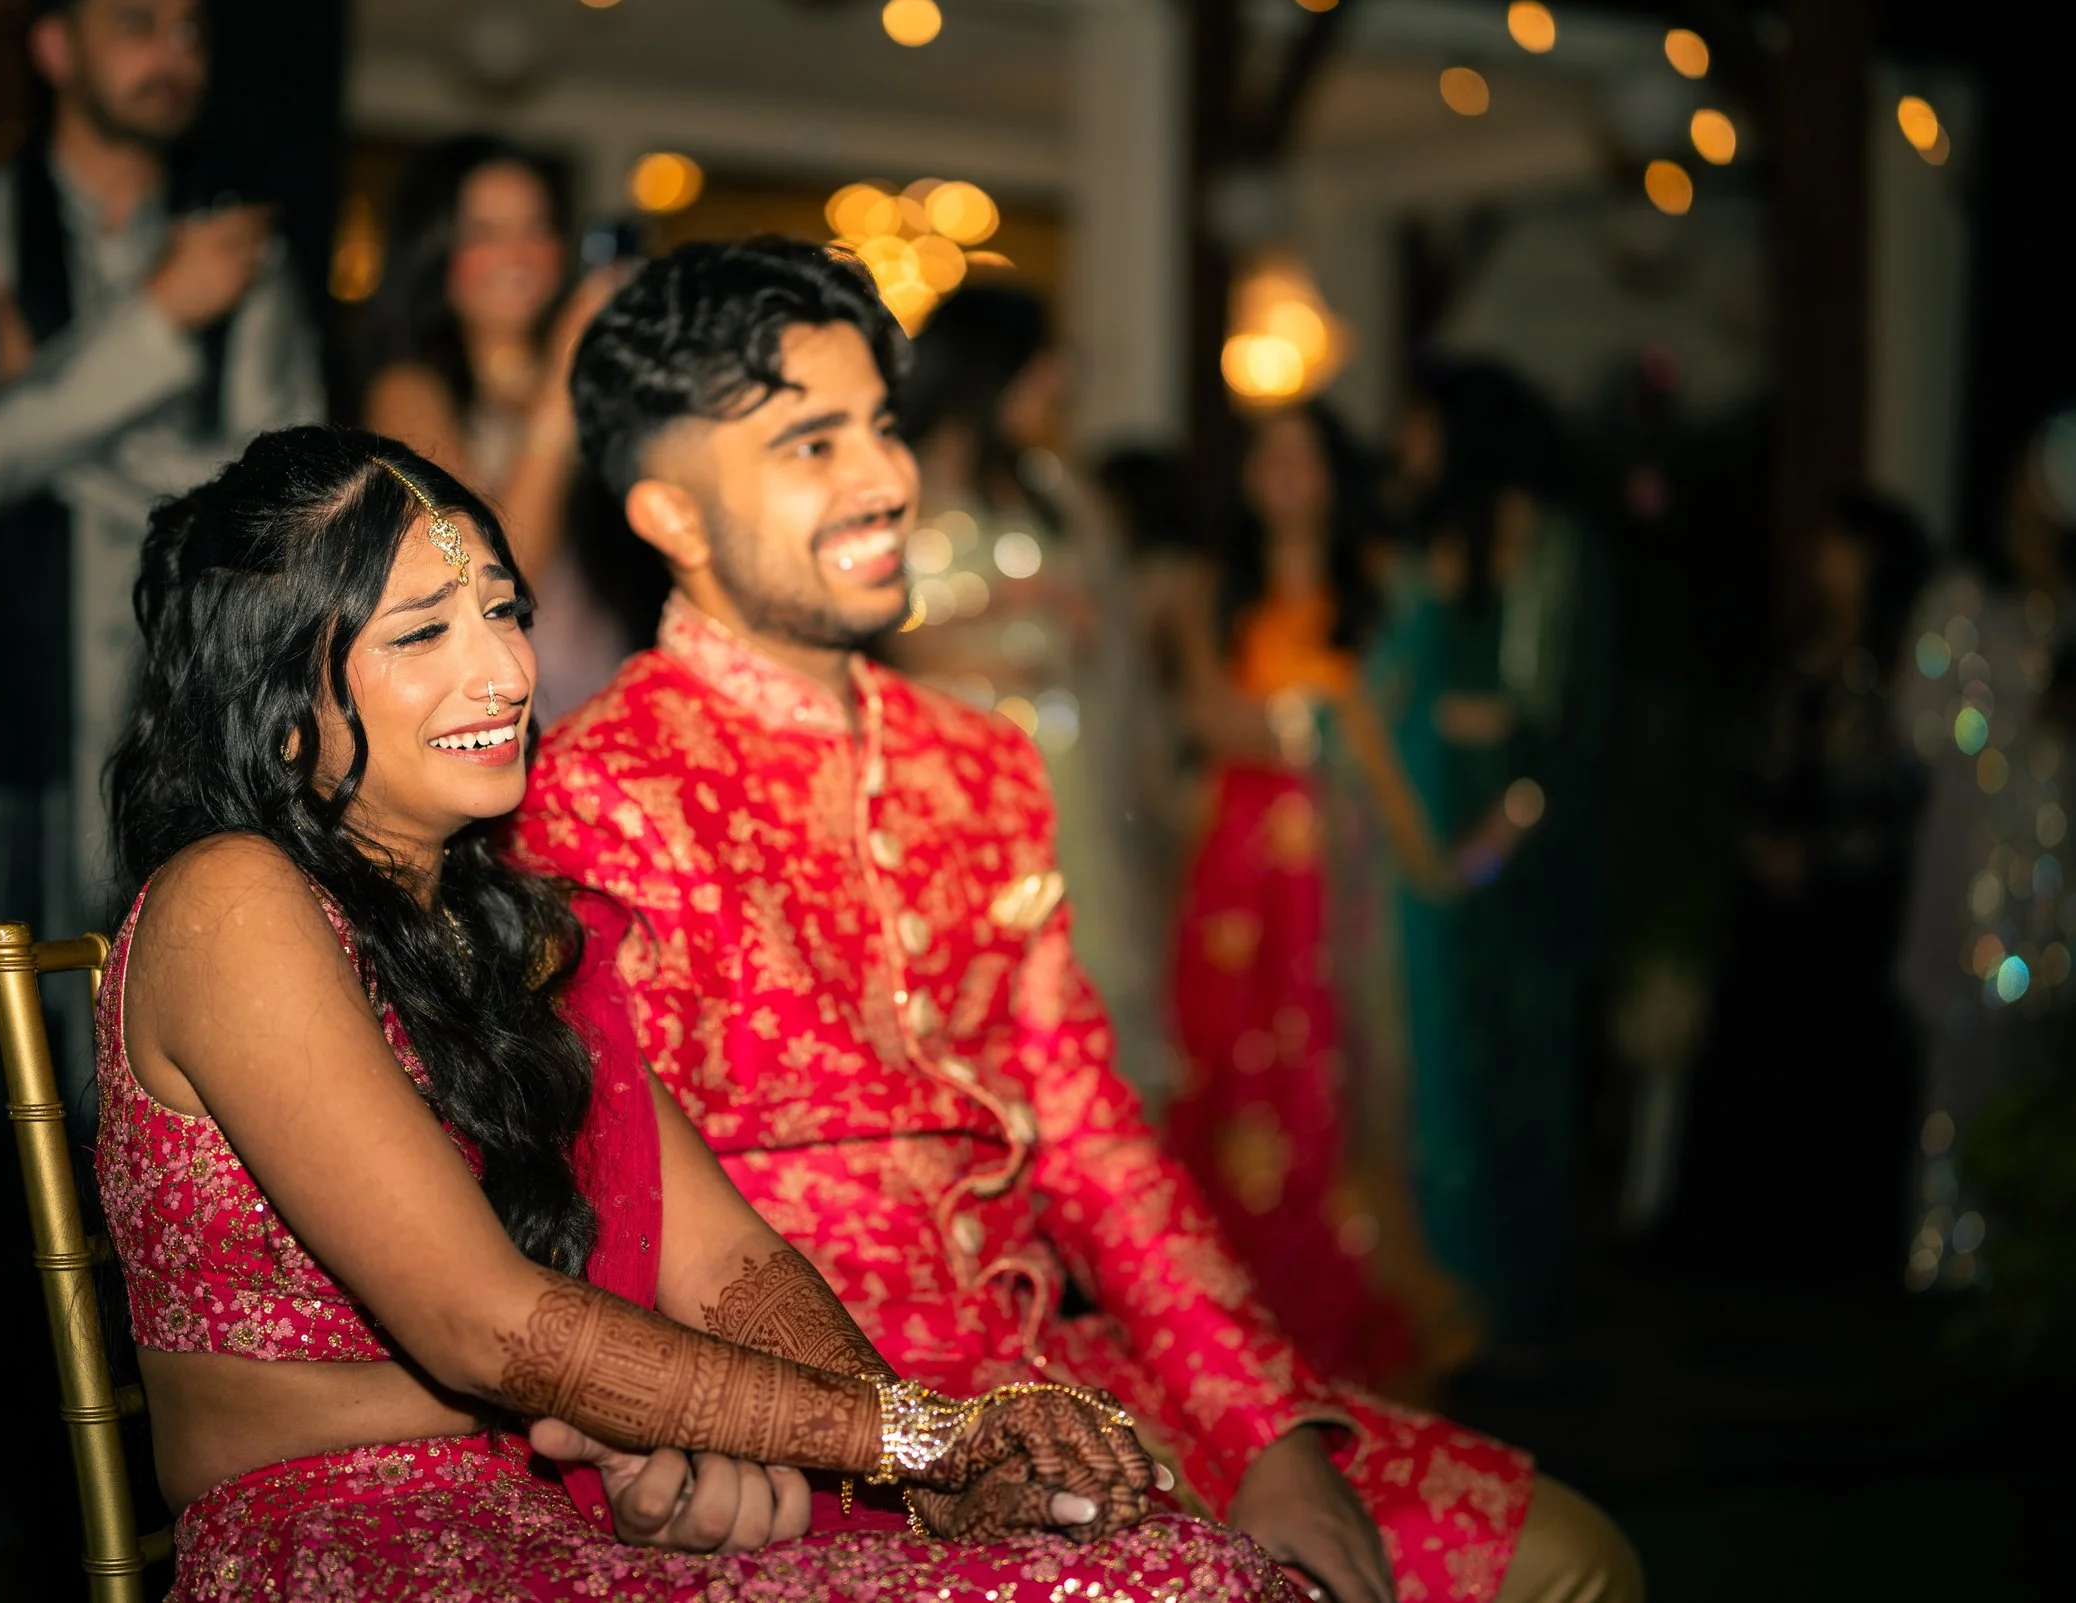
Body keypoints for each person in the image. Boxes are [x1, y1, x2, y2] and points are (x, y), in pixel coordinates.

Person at [514, 239, 1643, 1603]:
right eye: (812, 444)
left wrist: (1263, 1423)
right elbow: (606, 1193)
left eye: (879, 424)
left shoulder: (974, 764)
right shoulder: (600, 787)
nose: (886, 477)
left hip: (1053, 1371)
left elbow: (1094, 1136)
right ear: (670, 516)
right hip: (811, 1434)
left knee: (1576, 1557)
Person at [95, 424, 1296, 1600]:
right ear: (280, 703)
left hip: (563, 1508)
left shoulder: (504, 928)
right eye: (425, 632)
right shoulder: (232, 900)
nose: (508, 672)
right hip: (355, 1544)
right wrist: (910, 1441)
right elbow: (482, 1320)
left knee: (1181, 1560)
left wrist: (920, 1460)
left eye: (505, 612)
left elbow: (722, 1259)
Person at [0, 0, 323, 1223]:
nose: (172, 53)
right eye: (137, 22)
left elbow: (261, 517)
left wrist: (42, 405)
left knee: (116, 1123)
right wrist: (158, 326)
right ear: (56, 45)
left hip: (148, 727)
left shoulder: (246, 257)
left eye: (190, 29)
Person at [1163, 404, 1493, 1394]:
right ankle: (1230, 1326)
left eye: (1306, 452)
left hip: (1341, 871)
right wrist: (1297, 721)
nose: (1285, 470)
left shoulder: (1382, 591)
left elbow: (1396, 735)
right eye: (1267, 450)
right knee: (1231, 1073)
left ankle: (1340, 1313)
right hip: (1237, 870)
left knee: (1333, 1073)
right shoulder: (1205, 592)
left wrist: (1299, 727)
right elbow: (1208, 716)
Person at [1368, 361, 1610, 1346]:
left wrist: (1503, 829)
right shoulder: (1427, 543)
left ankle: (1520, 1306)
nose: (1405, 448)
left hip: (1525, 850)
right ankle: (1452, 1292)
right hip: (1428, 837)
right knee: (1440, 1066)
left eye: (1419, 425)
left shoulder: (1551, 545)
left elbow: (1568, 715)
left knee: (1524, 1067)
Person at [889, 285, 1166, 1096]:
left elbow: (1107, 628)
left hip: (1067, 765)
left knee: (1082, 973)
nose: (1056, 383)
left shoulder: (1052, 487)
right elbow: (870, 641)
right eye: (1040, 366)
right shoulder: (900, 481)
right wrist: (997, 614)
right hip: (955, 768)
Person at [1671, 488, 1929, 1275]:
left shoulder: (1896, 661)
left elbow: (1896, 784)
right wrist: (1764, 837)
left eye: (1841, 546)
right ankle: (1747, 1234)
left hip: (1849, 895)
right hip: (1779, 888)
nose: (1826, 560)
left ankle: (1831, 1241)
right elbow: (1766, 759)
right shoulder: (1807, 648)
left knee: (1838, 1058)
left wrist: (1817, 849)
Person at [361, 134, 652, 721]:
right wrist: (559, 391)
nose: (517, 254)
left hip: (607, 700)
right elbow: (489, 583)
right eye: (483, 233)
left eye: (535, 227)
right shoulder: (407, 389)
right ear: (434, 249)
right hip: (494, 710)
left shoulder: (602, 388)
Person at [1894, 410, 2076, 1294]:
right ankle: (1952, 1250)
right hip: (1972, 871)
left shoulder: (2064, 604)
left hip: (2056, 878)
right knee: (1963, 1065)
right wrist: (2014, 714)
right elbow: (1925, 720)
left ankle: (2030, 1258)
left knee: (2040, 1059)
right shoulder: (1964, 597)